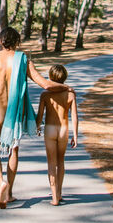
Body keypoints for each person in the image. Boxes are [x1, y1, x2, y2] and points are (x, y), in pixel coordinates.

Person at [0, 27, 71, 208]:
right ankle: (9, 192)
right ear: (17, 41)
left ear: (0, 41)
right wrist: (66, 88)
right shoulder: (23, 60)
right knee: (13, 150)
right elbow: (44, 84)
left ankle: (0, 182)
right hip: (15, 113)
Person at [35, 64, 79, 205]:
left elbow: (40, 115)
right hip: (63, 130)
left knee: (51, 163)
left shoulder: (45, 95)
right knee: (60, 162)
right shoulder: (71, 94)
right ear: (65, 77)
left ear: (51, 77)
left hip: (49, 129)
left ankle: (54, 197)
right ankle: (59, 193)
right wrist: (76, 135)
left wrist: (37, 126)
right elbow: (75, 116)